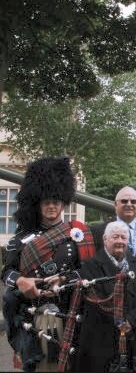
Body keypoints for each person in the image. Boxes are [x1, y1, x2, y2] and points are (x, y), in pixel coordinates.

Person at [1, 156, 96, 371]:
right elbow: (6, 272)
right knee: (42, 366)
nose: (52, 205)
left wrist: (65, 279)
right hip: (35, 316)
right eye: (46, 201)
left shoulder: (76, 235)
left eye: (56, 200)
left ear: (63, 202)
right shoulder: (21, 238)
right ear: (38, 203)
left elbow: (88, 271)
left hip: (72, 312)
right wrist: (21, 281)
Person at [91, 186, 136, 369]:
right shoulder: (98, 232)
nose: (129, 204)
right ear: (115, 205)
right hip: (107, 308)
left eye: (134, 201)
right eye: (124, 201)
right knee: (109, 357)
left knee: (135, 356)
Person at [75, 221, 136, 372]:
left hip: (132, 334)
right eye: (115, 237)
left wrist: (131, 321)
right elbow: (98, 302)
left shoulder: (134, 263)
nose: (120, 241)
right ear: (105, 239)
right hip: (102, 339)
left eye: (124, 237)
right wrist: (122, 322)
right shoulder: (91, 265)